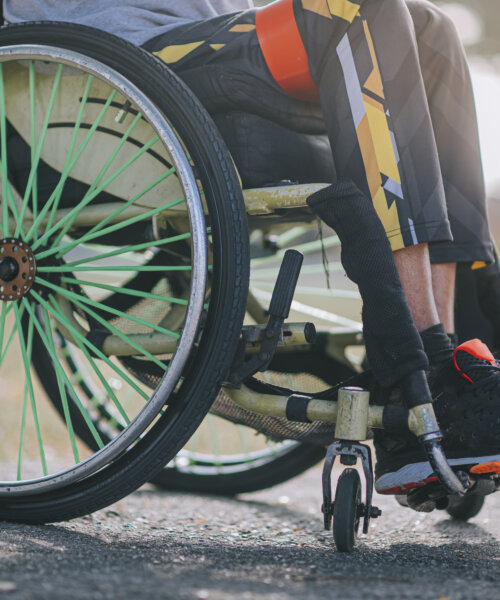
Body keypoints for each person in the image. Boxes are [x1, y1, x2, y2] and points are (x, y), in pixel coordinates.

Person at [5, 0, 500, 495]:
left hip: (212, 43)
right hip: (124, 60)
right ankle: (417, 369)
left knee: (432, 27)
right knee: (355, 8)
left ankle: (458, 365)